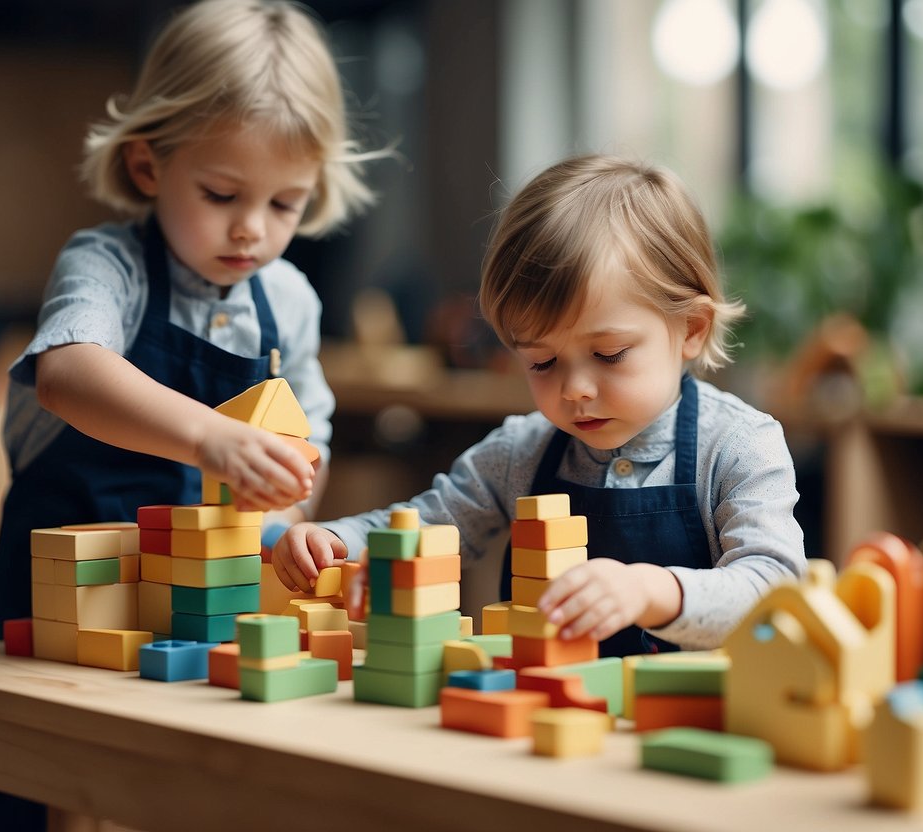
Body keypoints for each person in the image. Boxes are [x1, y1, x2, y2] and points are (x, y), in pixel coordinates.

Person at [0, 2, 379, 828]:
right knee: (13, 774)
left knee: (181, 779)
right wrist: (210, 435)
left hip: (202, 594)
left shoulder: (290, 301)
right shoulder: (106, 265)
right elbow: (67, 375)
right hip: (66, 582)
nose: (252, 229)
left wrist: (287, 522)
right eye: (221, 193)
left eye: (285, 204)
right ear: (146, 167)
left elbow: (301, 445)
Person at [273, 154, 805, 657]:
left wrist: (651, 590)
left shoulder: (737, 446)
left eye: (609, 354)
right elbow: (429, 526)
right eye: (543, 363)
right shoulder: (521, 452)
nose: (575, 388)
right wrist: (337, 541)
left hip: (688, 734)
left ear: (691, 329)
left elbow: (774, 589)